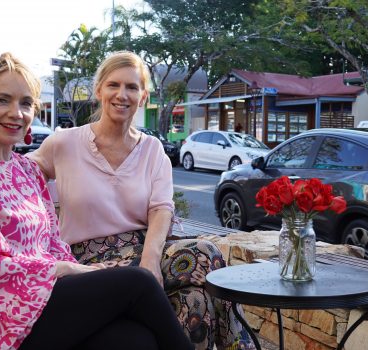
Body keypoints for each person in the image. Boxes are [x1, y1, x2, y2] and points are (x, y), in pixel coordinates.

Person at [0, 52, 192, 350]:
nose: (16, 113)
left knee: (136, 340)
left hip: (45, 300)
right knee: (139, 283)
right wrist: (66, 270)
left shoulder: (24, 169)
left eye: (25, 103)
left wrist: (72, 270)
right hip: (1, 320)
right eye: (2, 100)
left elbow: (52, 241)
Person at [28, 51, 256, 350]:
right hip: (86, 264)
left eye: (132, 87)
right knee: (205, 253)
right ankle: (239, 347)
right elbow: (14, 175)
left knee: (195, 297)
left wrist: (150, 259)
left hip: (142, 249)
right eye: (113, 85)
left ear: (143, 96)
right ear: (99, 91)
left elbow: (161, 208)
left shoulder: (152, 149)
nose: (122, 95)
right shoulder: (64, 143)